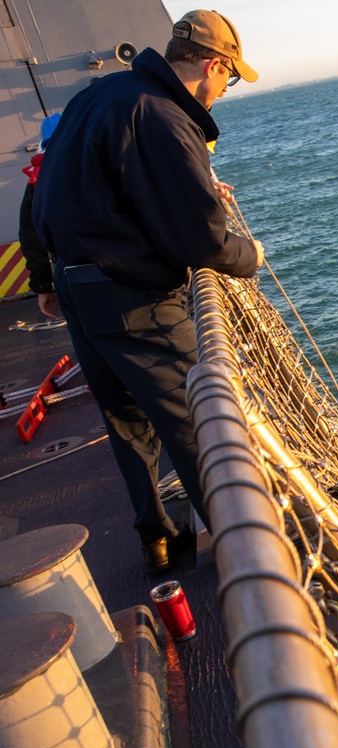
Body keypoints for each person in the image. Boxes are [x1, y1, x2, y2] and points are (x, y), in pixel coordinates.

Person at [32, 9, 264, 572]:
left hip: (76, 287)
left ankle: (156, 537)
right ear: (213, 65)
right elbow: (201, 241)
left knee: (126, 421)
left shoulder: (103, 94)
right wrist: (248, 255)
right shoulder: (163, 115)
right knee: (203, 425)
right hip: (134, 302)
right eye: (229, 79)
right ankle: (249, 563)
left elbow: (59, 188)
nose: (223, 92)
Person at [19, 112, 61, 319]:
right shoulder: (102, 161)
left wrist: (43, 286)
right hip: (128, 269)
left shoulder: (36, 181)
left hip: (72, 273)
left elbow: (32, 236)